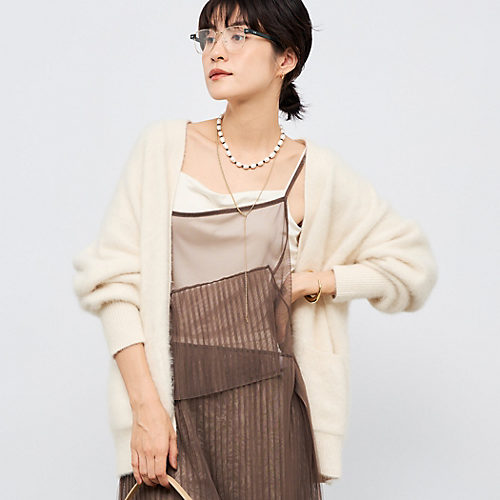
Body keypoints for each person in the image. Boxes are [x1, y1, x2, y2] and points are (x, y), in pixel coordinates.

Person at [72, 1, 438, 498]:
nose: (216, 51)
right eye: (208, 36)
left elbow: (412, 267)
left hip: (269, 419)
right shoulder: (162, 149)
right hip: (170, 419)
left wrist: (314, 283)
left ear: (286, 58)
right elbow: (113, 285)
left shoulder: (315, 173)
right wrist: (145, 410)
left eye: (238, 36)